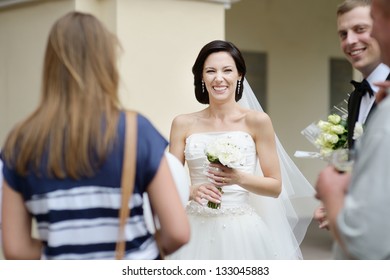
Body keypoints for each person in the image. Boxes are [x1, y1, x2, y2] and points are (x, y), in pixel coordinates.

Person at [0, 11, 190, 260]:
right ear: (106, 63)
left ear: (50, 65)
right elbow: (177, 232)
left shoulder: (21, 141)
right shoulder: (136, 130)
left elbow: (15, 249)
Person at [167, 40, 316, 260]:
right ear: (201, 77)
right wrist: (191, 191)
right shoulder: (182, 123)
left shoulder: (258, 121)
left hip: (242, 231)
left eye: (227, 70)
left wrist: (238, 178)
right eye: (210, 71)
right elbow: (168, 184)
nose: (219, 78)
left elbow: (275, 186)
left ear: (239, 76)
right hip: (193, 228)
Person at [315, 0, 390, 259]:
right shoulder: (357, 96)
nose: (350, 41)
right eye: (343, 34)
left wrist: (331, 190)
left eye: (361, 29)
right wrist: (339, 207)